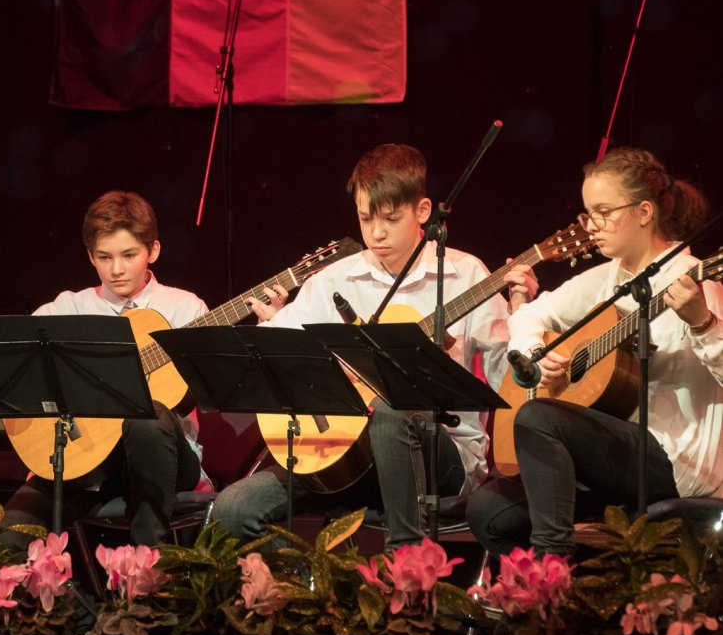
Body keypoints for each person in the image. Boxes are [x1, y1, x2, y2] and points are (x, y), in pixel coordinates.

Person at [212, 143, 536, 546]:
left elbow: (510, 380)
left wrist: (522, 314)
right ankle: (312, 596)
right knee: (233, 510)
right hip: (344, 454)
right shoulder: (335, 279)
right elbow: (277, 355)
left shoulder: (466, 274)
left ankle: (405, 570)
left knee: (391, 409)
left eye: (390, 219)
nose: (376, 233)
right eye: (366, 219)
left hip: (440, 454)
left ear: (422, 212)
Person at [466, 147, 720, 555]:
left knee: (539, 417)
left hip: (676, 462)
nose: (591, 227)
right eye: (588, 214)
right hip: (611, 465)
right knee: (488, 509)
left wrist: (702, 322)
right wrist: (535, 352)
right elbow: (528, 318)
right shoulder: (604, 280)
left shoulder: (698, 285)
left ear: (644, 212)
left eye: (603, 212)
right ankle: (586, 589)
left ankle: (550, 578)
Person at [0, 190, 207, 549]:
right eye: (104, 257)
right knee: (11, 536)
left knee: (147, 415)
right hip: (86, 460)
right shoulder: (67, 309)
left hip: (163, 461)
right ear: (90, 256)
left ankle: (147, 562)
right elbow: (17, 369)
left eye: (129, 255)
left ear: (153, 251)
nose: (116, 269)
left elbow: (204, 390)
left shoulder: (184, 308)